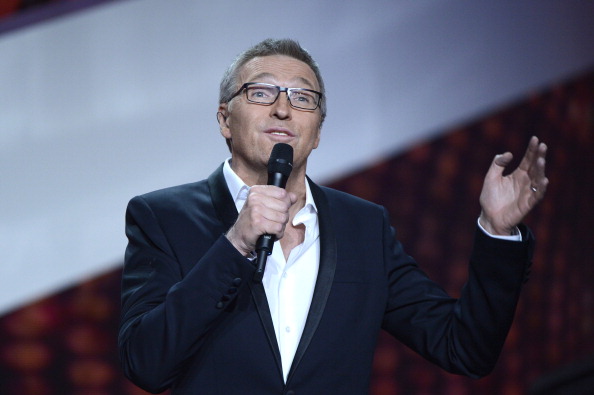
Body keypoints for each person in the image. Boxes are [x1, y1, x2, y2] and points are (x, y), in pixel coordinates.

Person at [118, 38, 548, 395]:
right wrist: (236, 243)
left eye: (303, 97)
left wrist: (497, 232)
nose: (283, 109)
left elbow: (463, 348)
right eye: (262, 92)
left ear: (318, 132)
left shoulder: (363, 226)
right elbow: (147, 364)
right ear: (224, 119)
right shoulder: (161, 217)